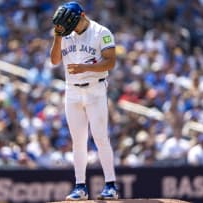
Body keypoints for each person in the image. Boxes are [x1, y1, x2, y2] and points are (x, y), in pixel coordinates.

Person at [50, 1, 118, 201]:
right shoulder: (65, 34)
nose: (67, 26)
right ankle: (80, 186)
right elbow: (54, 60)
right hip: (72, 91)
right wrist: (57, 37)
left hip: (95, 89)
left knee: (100, 137)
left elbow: (110, 61)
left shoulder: (101, 32)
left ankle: (111, 185)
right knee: (78, 141)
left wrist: (84, 68)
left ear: (82, 15)